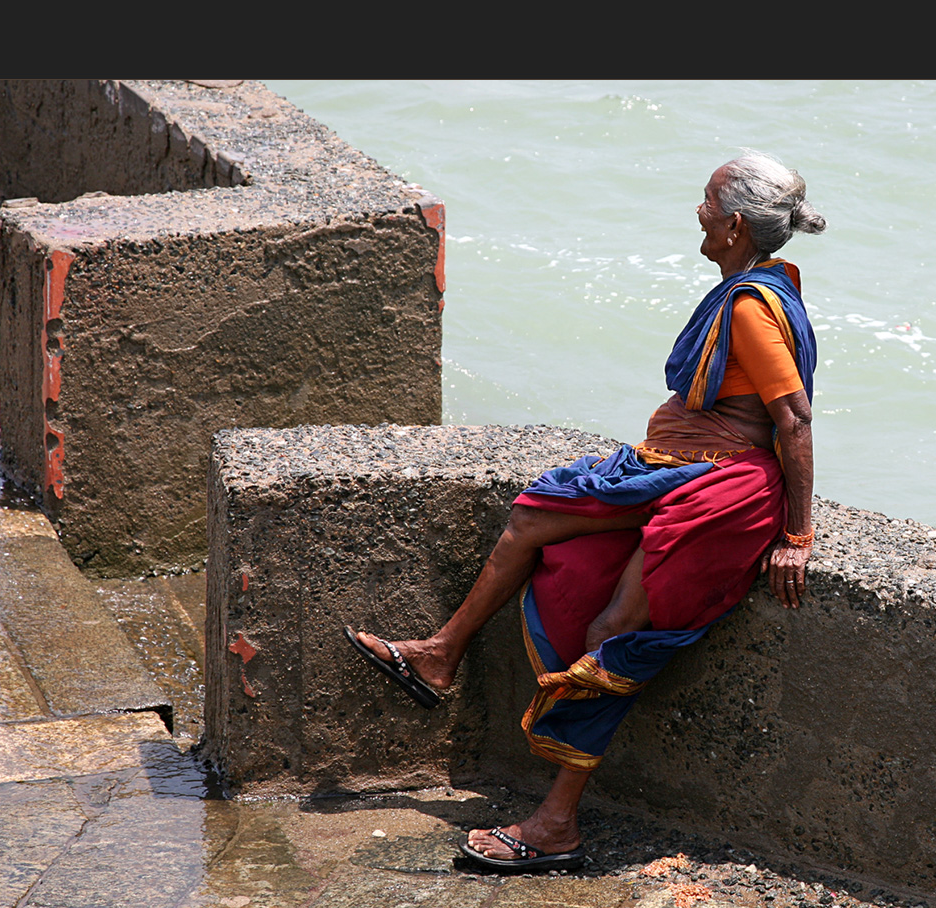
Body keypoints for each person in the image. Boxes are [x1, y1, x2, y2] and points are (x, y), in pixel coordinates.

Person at [346, 150, 826, 871]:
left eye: (705, 202)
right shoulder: (750, 284)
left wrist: (797, 532)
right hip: (675, 471)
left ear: (731, 226)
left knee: (613, 632)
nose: (695, 210)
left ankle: (555, 823)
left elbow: (792, 417)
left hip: (717, 493)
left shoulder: (753, 306)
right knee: (534, 519)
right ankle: (441, 655)